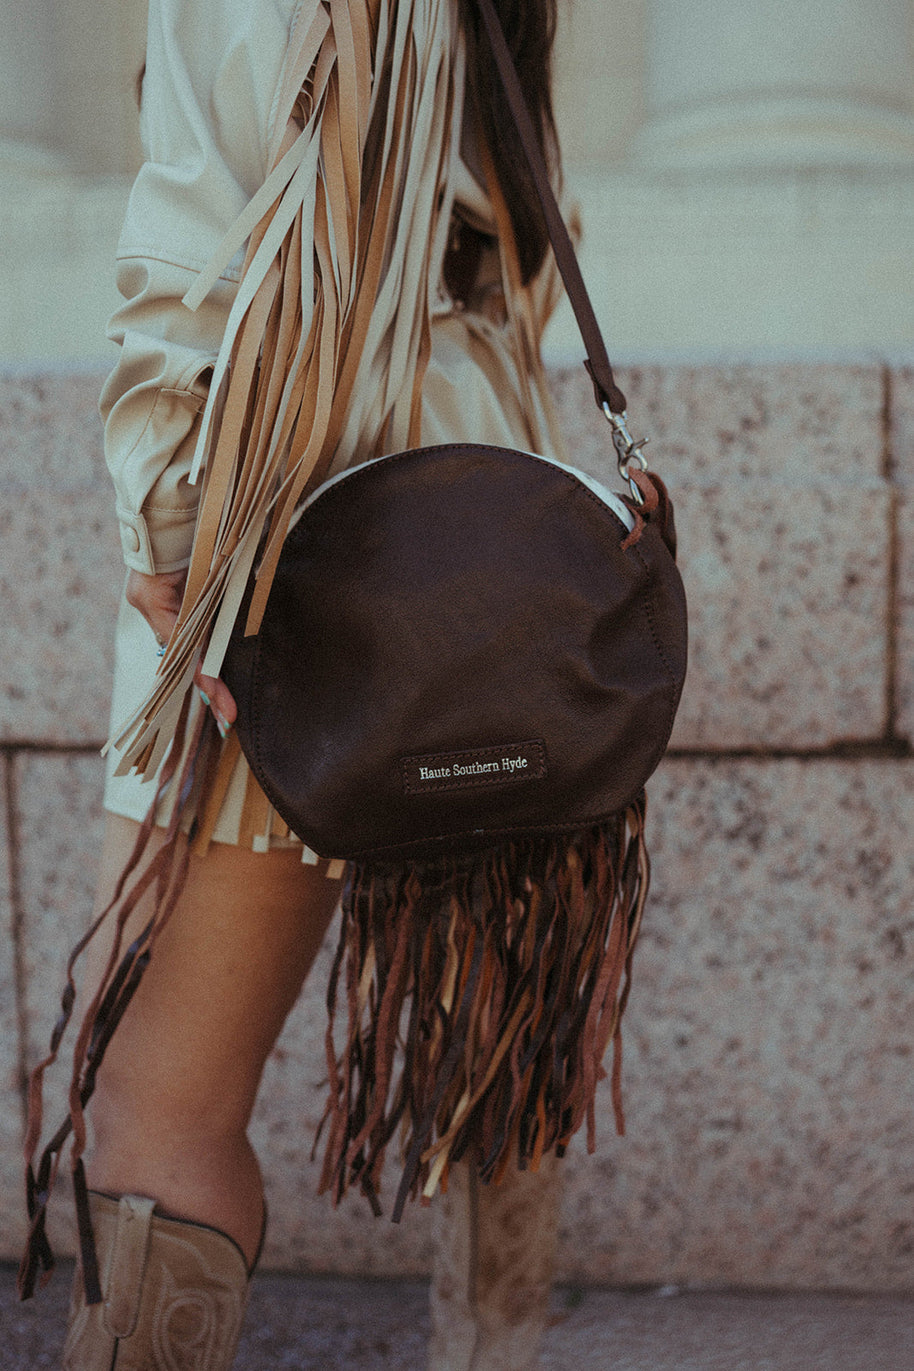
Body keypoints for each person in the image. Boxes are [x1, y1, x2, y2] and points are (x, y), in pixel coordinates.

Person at [39, 0, 575, 1366]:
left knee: (151, 1103)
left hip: (299, 494)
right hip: (489, 490)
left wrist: (169, 521)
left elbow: (203, 220)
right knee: (485, 1047)